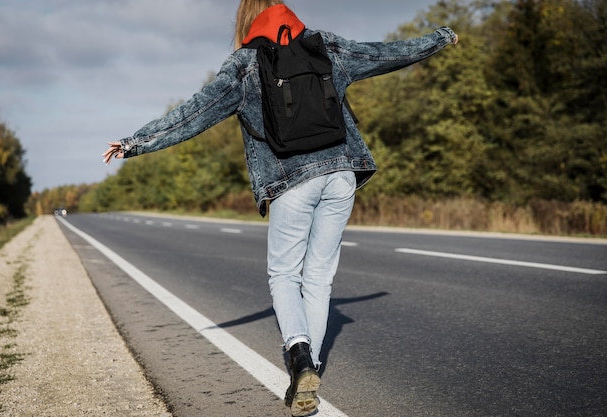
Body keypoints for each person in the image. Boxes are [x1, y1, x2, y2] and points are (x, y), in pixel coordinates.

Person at [103, 1, 458, 415]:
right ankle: (310, 372)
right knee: (320, 277)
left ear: (245, 20)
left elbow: (193, 115)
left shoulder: (243, 65)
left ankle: (300, 358)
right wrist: (440, 38)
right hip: (342, 173)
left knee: (285, 274)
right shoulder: (323, 45)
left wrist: (135, 143)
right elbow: (385, 54)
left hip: (292, 181)